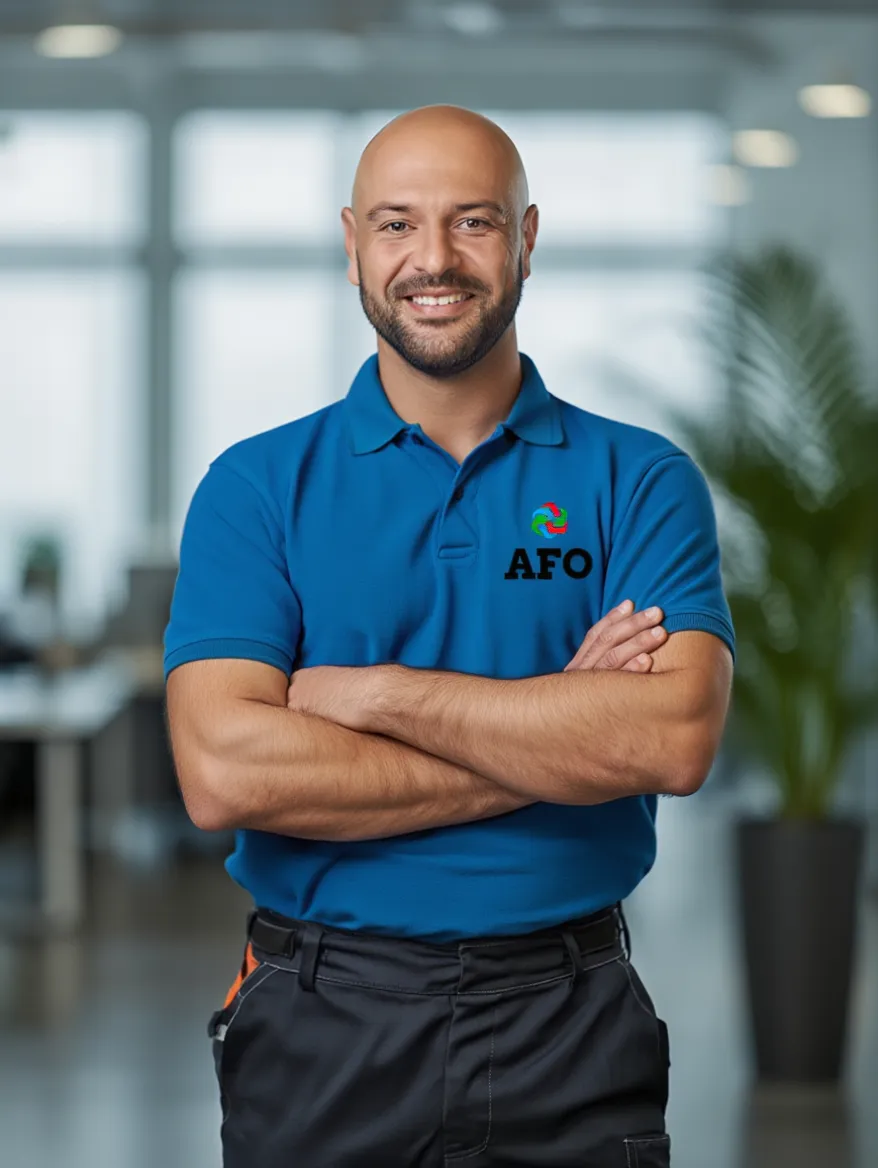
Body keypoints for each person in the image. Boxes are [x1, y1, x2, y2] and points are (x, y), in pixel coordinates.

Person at [164, 105, 734, 1168]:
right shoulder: (255, 488)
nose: (433, 259)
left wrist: (373, 694)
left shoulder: (638, 479)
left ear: (525, 238)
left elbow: (669, 742)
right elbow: (222, 769)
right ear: (351, 246)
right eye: (396, 225)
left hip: (569, 1018)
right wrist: (559, 734)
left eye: (472, 222)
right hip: (325, 1016)